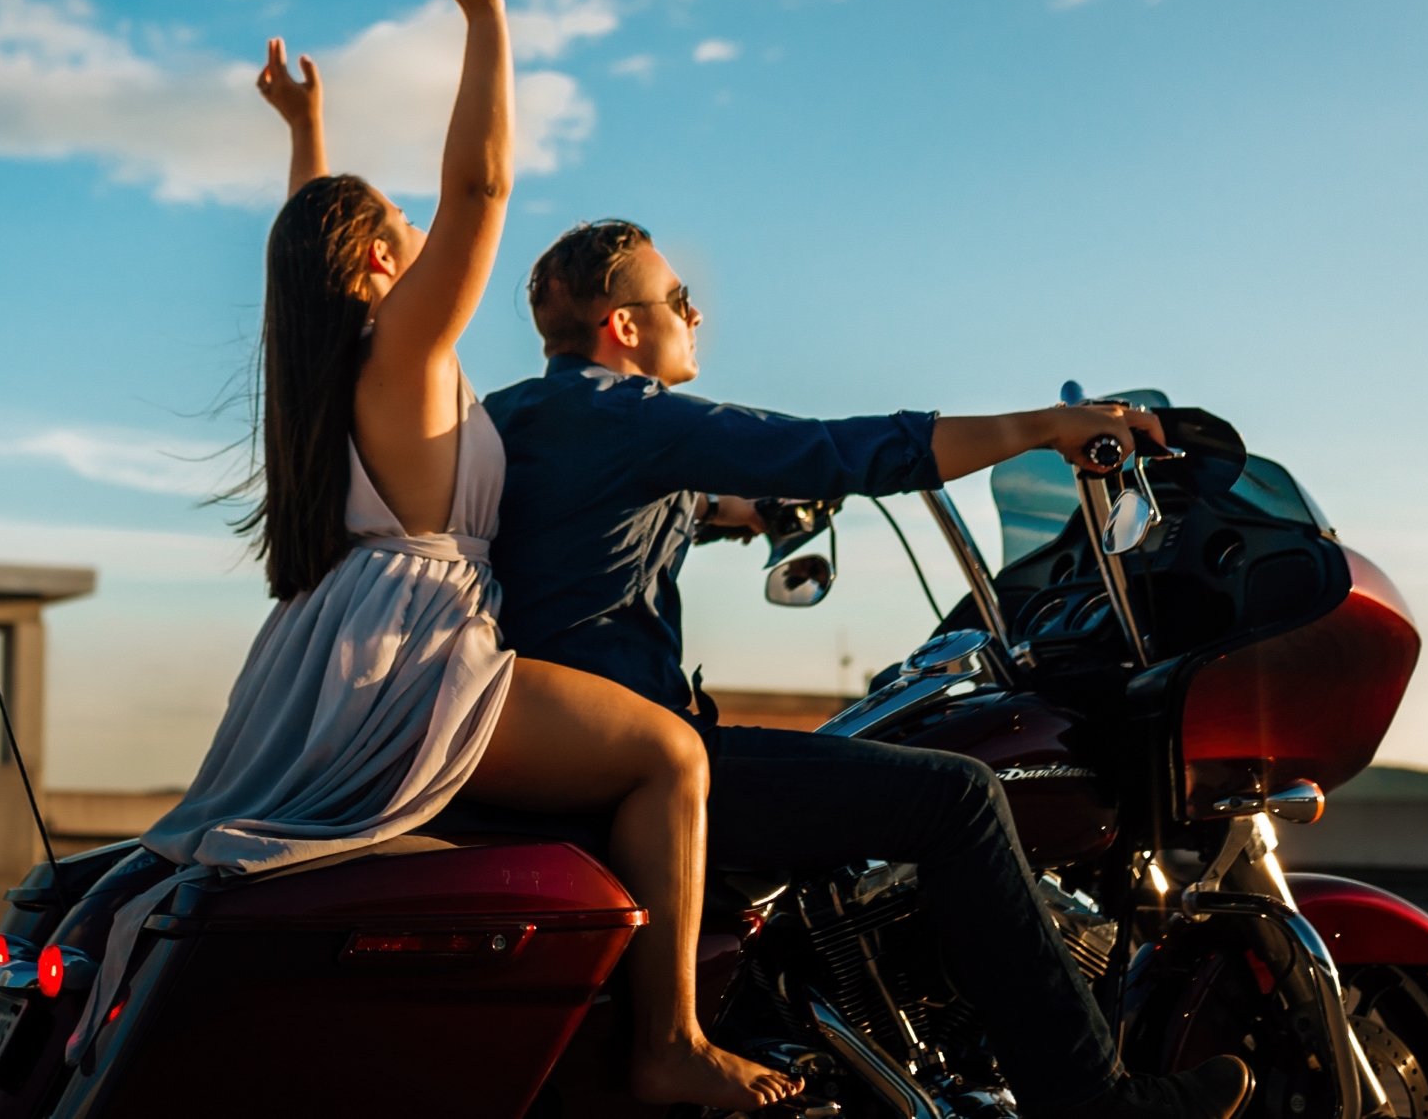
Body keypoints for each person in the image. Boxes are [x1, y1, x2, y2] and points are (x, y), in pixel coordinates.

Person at [76, 0, 798, 1110]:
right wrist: (485, 16)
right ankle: (671, 1042)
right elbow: (482, 187)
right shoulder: (402, 347)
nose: (428, 231)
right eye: (400, 227)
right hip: (417, 648)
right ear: (376, 261)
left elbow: (309, 245)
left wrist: (304, 132)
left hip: (338, 639)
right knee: (671, 754)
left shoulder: (332, 372)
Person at [483, 219, 1256, 1119]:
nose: (695, 316)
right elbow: (839, 448)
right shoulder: (630, 414)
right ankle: (1093, 1101)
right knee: (958, 797)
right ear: (623, 325)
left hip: (548, 749)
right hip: (631, 761)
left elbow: (624, 511)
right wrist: (1045, 427)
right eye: (679, 301)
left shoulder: (528, 416)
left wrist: (752, 514)